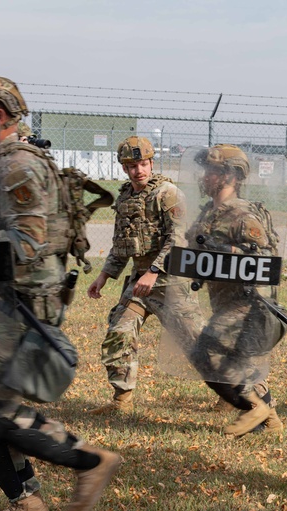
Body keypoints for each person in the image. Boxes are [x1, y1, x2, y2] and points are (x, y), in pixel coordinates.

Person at [0, 75, 121, 511]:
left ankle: (87, 462)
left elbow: (27, 242)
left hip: (25, 302)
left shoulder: (18, 166)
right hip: (4, 299)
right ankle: (28, 503)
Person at [86, 136, 203, 414]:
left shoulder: (167, 194)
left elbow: (178, 239)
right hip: (139, 283)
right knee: (119, 335)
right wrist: (104, 276)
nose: (138, 170)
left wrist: (153, 271)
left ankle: (235, 393)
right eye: (131, 166)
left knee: (196, 343)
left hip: (170, 282)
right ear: (124, 168)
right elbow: (122, 242)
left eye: (143, 164)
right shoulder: (126, 197)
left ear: (151, 163)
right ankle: (122, 400)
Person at [185, 144, 286, 436]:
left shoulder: (242, 215)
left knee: (205, 352)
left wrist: (229, 252)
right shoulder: (210, 212)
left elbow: (266, 263)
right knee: (237, 364)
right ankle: (271, 422)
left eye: (211, 170)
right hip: (223, 301)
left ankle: (255, 407)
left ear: (230, 176)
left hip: (247, 305)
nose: (205, 176)